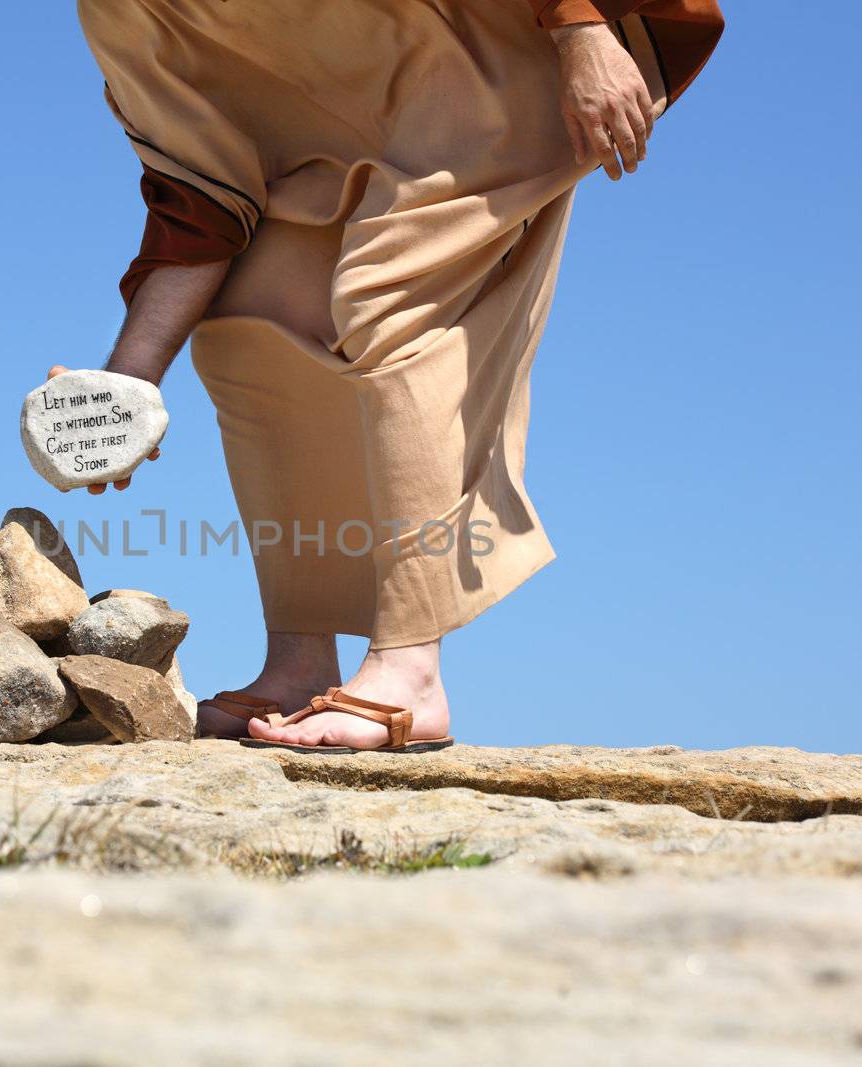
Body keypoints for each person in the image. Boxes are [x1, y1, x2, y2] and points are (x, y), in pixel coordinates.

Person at [57, 0, 724, 752]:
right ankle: (300, 664)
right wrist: (130, 382)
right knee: (248, 319)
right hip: (347, 145)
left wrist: (581, 29)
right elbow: (201, 193)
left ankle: (411, 669)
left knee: (388, 292)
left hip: (507, 58)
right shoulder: (120, 15)